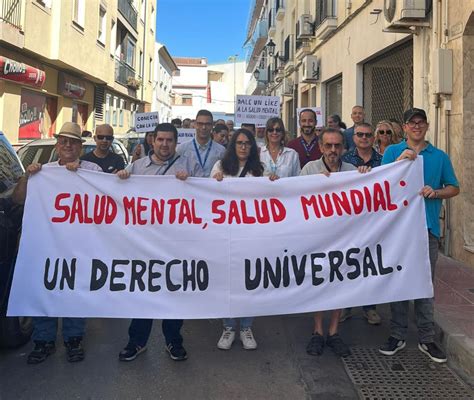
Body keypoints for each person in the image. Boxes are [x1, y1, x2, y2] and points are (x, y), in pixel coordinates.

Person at [12, 122, 102, 364]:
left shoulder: (92, 169)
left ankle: (74, 339)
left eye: (73, 141)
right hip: (47, 246)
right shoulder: (44, 172)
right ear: (57, 144)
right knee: (45, 291)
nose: (68, 145)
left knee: (74, 291)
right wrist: (27, 176)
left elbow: (109, 198)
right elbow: (19, 199)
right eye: (64, 140)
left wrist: (83, 177)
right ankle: (44, 341)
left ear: (80, 147)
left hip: (80, 247)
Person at [379, 108, 460, 364]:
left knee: (425, 285)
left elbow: (454, 188)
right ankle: (397, 334)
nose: (416, 126)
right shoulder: (392, 152)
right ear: (404, 127)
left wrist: (435, 193)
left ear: (426, 126)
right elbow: (380, 185)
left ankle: (426, 338)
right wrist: (398, 164)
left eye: (421, 122)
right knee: (399, 283)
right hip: (399, 230)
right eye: (412, 123)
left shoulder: (439, 156)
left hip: (427, 229)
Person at [117, 123, 199, 362]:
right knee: (144, 292)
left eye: (169, 140)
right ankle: (137, 341)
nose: (164, 145)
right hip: (144, 244)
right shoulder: (138, 167)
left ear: (176, 143)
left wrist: (190, 181)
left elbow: (205, 197)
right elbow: (118, 195)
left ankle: (173, 341)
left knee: (174, 293)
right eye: (160, 140)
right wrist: (121, 178)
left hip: (176, 243)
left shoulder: (188, 166)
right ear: (153, 141)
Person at [301, 128, 371, 358]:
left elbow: (366, 196)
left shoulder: (352, 171)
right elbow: (296, 201)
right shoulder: (309, 170)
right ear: (321, 147)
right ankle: (317, 331)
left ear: (343, 148)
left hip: (344, 239)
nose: (333, 150)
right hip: (317, 239)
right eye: (328, 146)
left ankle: (334, 332)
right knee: (319, 283)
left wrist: (364, 176)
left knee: (340, 283)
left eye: (337, 146)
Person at [211, 128, 264, 351]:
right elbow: (207, 198)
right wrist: (215, 183)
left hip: (250, 235)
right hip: (226, 235)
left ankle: (246, 327)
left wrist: (272, 181)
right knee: (228, 282)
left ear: (252, 147)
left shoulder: (259, 170)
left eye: (247, 143)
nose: (243, 146)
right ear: (233, 146)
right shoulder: (220, 167)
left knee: (249, 283)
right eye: (239, 143)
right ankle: (229, 327)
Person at [340, 122, 382, 325]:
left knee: (370, 263)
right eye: (360, 135)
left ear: (373, 138)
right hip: (349, 222)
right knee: (348, 263)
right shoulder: (344, 160)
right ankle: (346, 306)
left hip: (373, 221)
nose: (364, 138)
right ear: (354, 137)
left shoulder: (383, 161)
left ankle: (370, 308)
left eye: (368, 135)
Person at [177, 109, 225, 177]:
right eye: (200, 124)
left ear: (212, 126)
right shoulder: (182, 149)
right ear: (195, 125)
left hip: (212, 187)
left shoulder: (221, 151)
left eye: (207, 124)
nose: (203, 127)